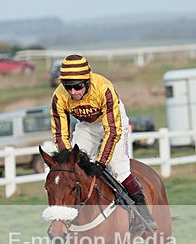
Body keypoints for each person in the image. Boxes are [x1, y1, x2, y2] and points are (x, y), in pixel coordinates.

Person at [50, 53, 156, 230]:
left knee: (119, 171)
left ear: (87, 81)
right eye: (68, 87)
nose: (73, 92)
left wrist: (101, 163)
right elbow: (60, 133)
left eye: (77, 86)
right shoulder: (59, 97)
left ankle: (144, 214)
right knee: (73, 169)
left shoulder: (104, 88)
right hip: (87, 126)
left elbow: (112, 131)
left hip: (114, 122)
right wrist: (66, 160)